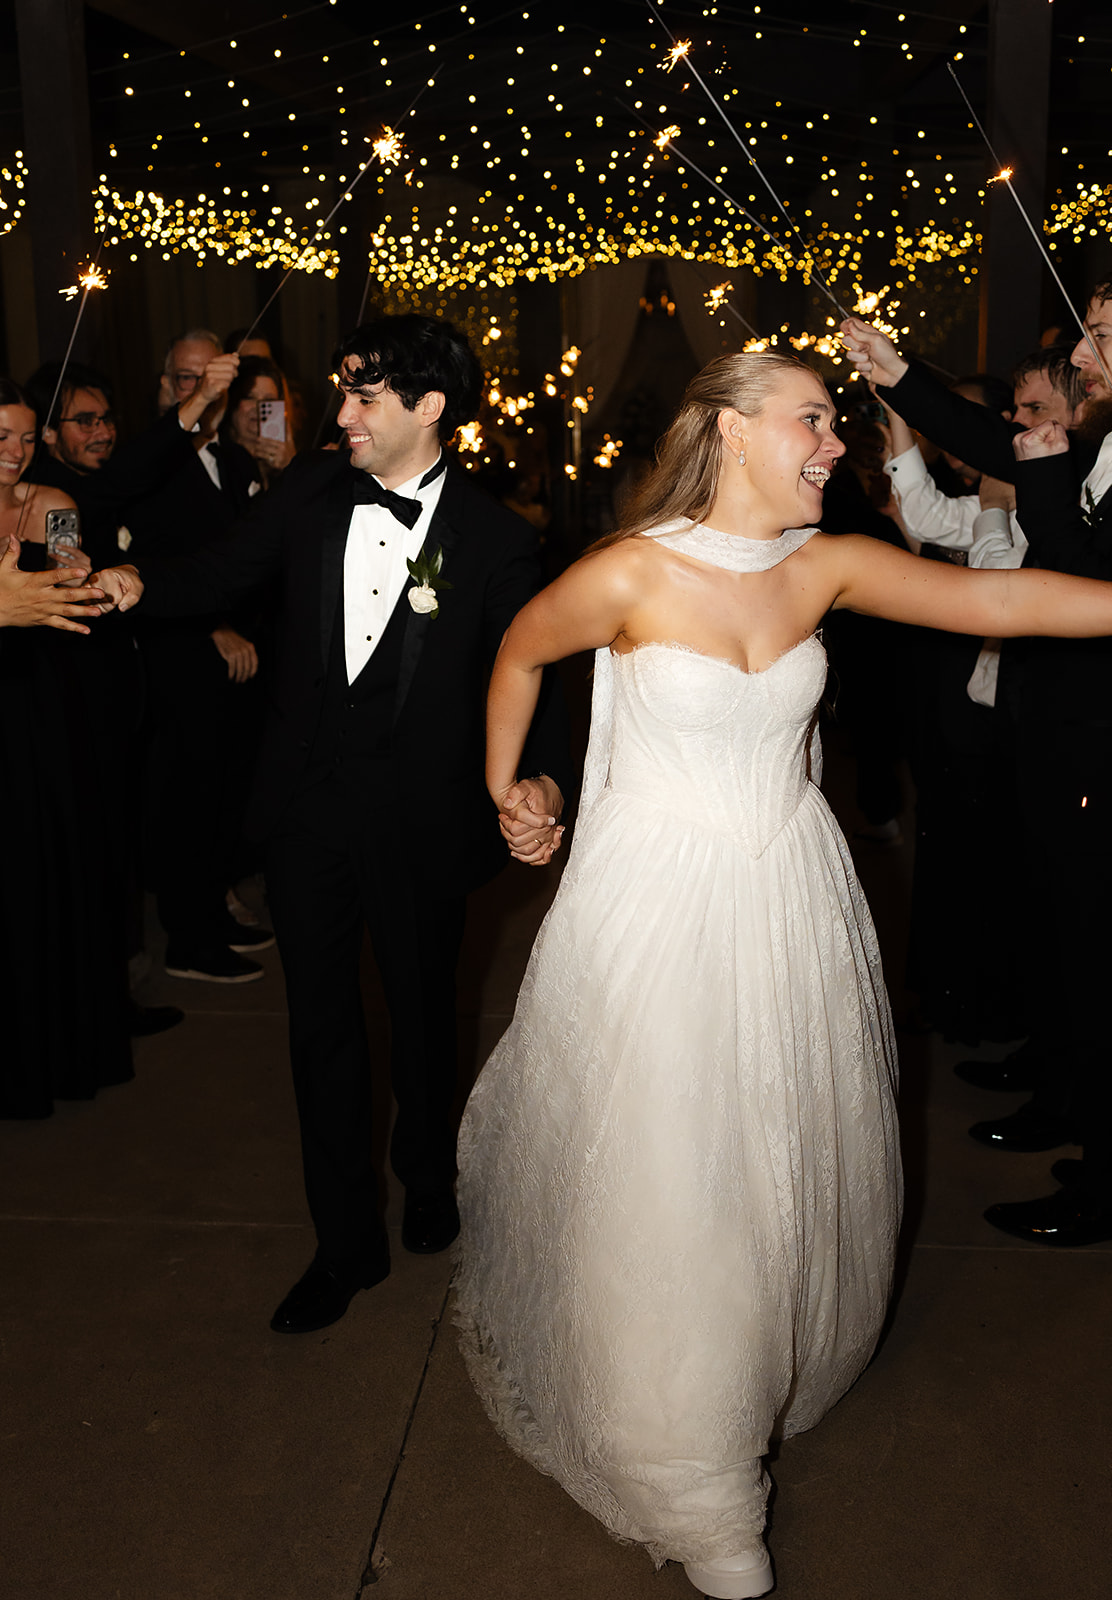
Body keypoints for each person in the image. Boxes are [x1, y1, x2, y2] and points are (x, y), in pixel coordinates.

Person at [453, 350, 1112, 1599]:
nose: (833, 442)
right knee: (673, 1168)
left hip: (789, 897)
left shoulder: (826, 566)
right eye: (810, 419)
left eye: (832, 421)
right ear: (729, 430)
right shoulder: (630, 571)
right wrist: (510, 791)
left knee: (770, 1150)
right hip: (655, 907)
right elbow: (518, 655)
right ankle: (698, 1490)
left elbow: (1007, 606)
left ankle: (752, 1358)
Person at [88, 315, 571, 1335]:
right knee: (319, 1029)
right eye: (342, 391)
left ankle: (428, 1175)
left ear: (428, 407)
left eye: (361, 396)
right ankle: (342, 1243)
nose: (339, 412)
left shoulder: (495, 539)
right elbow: (217, 572)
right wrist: (136, 586)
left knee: (422, 1010)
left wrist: (543, 783)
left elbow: (543, 681)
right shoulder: (310, 492)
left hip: (423, 819)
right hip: (305, 811)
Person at [842, 296, 1112, 1246]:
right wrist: (896, 370)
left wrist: (1037, 484)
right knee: (1066, 938)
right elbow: (996, 446)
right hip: (1059, 740)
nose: (1081, 354)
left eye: (1103, 339)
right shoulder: (1094, 445)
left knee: (1096, 951)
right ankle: (1071, 1106)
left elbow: (1080, 591)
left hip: (1098, 753)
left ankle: (1102, 1178)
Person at [0, 380, 132, 1117]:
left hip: (37, 703)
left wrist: (73, 568)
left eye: (24, 438)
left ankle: (55, 1049)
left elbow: (64, 558)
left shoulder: (49, 501)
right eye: (0, 439)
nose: (14, 454)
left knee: (43, 862)